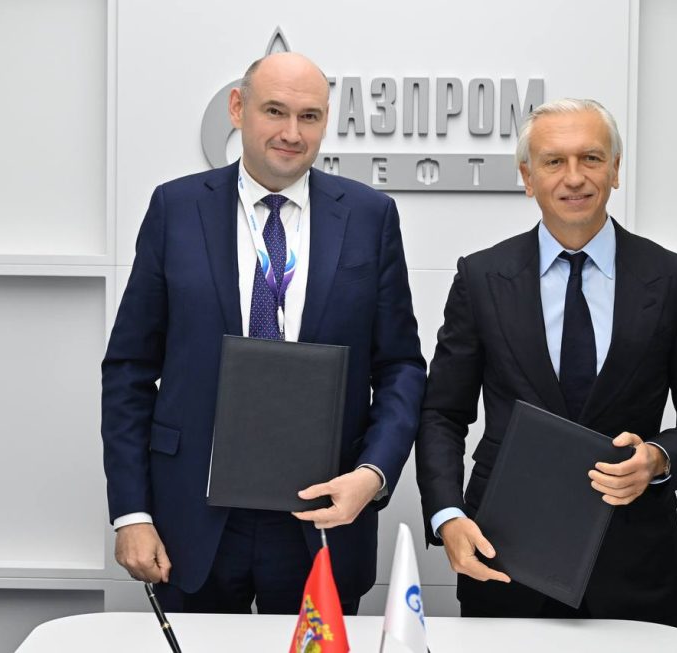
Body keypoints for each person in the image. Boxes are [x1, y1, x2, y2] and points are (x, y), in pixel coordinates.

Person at [101, 52, 425, 615]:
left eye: (309, 116)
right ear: (237, 109)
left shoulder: (370, 216)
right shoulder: (176, 208)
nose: (291, 133)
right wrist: (132, 512)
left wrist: (372, 475)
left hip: (320, 514)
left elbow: (400, 367)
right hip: (192, 518)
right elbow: (129, 369)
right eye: (275, 111)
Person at [415, 98, 677, 627]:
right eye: (554, 161)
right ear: (528, 177)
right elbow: (442, 415)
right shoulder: (481, 277)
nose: (574, 177)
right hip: (505, 555)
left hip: (634, 561)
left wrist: (658, 458)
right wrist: (448, 515)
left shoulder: (674, 279)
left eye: (591, 158)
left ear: (615, 169)